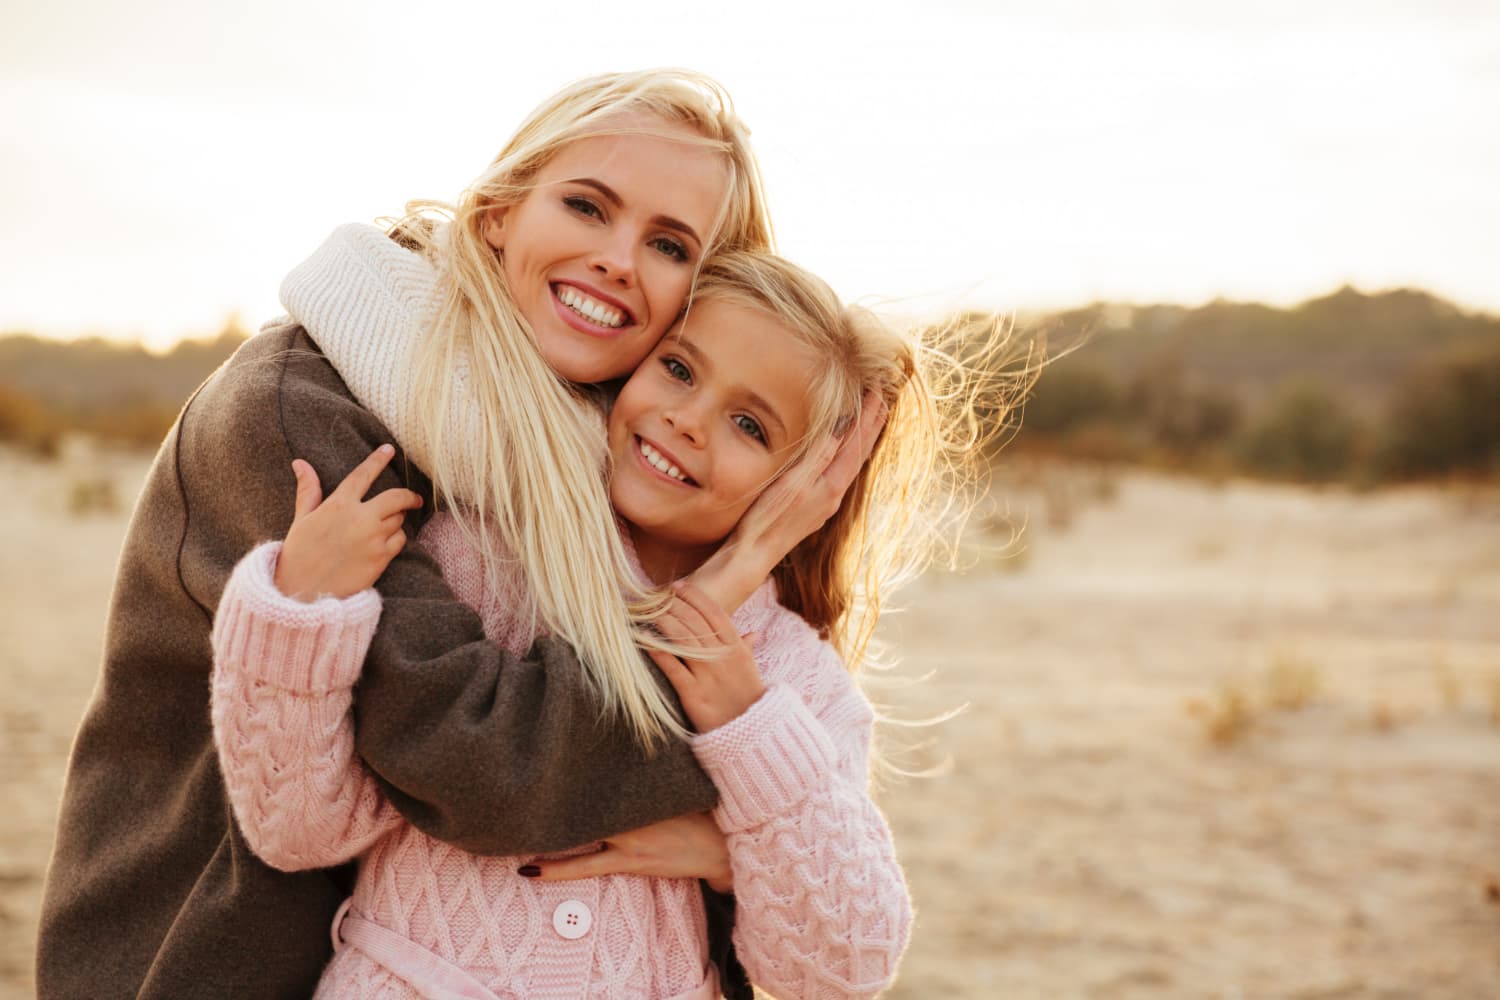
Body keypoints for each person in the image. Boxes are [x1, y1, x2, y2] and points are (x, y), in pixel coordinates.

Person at [35, 70, 860, 999]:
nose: (619, 259)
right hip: (220, 951)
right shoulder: (309, 406)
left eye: (667, 245)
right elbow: (481, 765)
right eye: (588, 205)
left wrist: (743, 849)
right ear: (499, 212)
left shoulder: (584, 439)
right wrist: (739, 773)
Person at [211, 248, 999, 998]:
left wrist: (741, 790)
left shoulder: (786, 679)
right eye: (679, 369)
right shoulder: (479, 565)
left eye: (751, 426)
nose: (690, 421)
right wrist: (297, 614)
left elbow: (845, 967)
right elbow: (297, 828)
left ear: (802, 487)